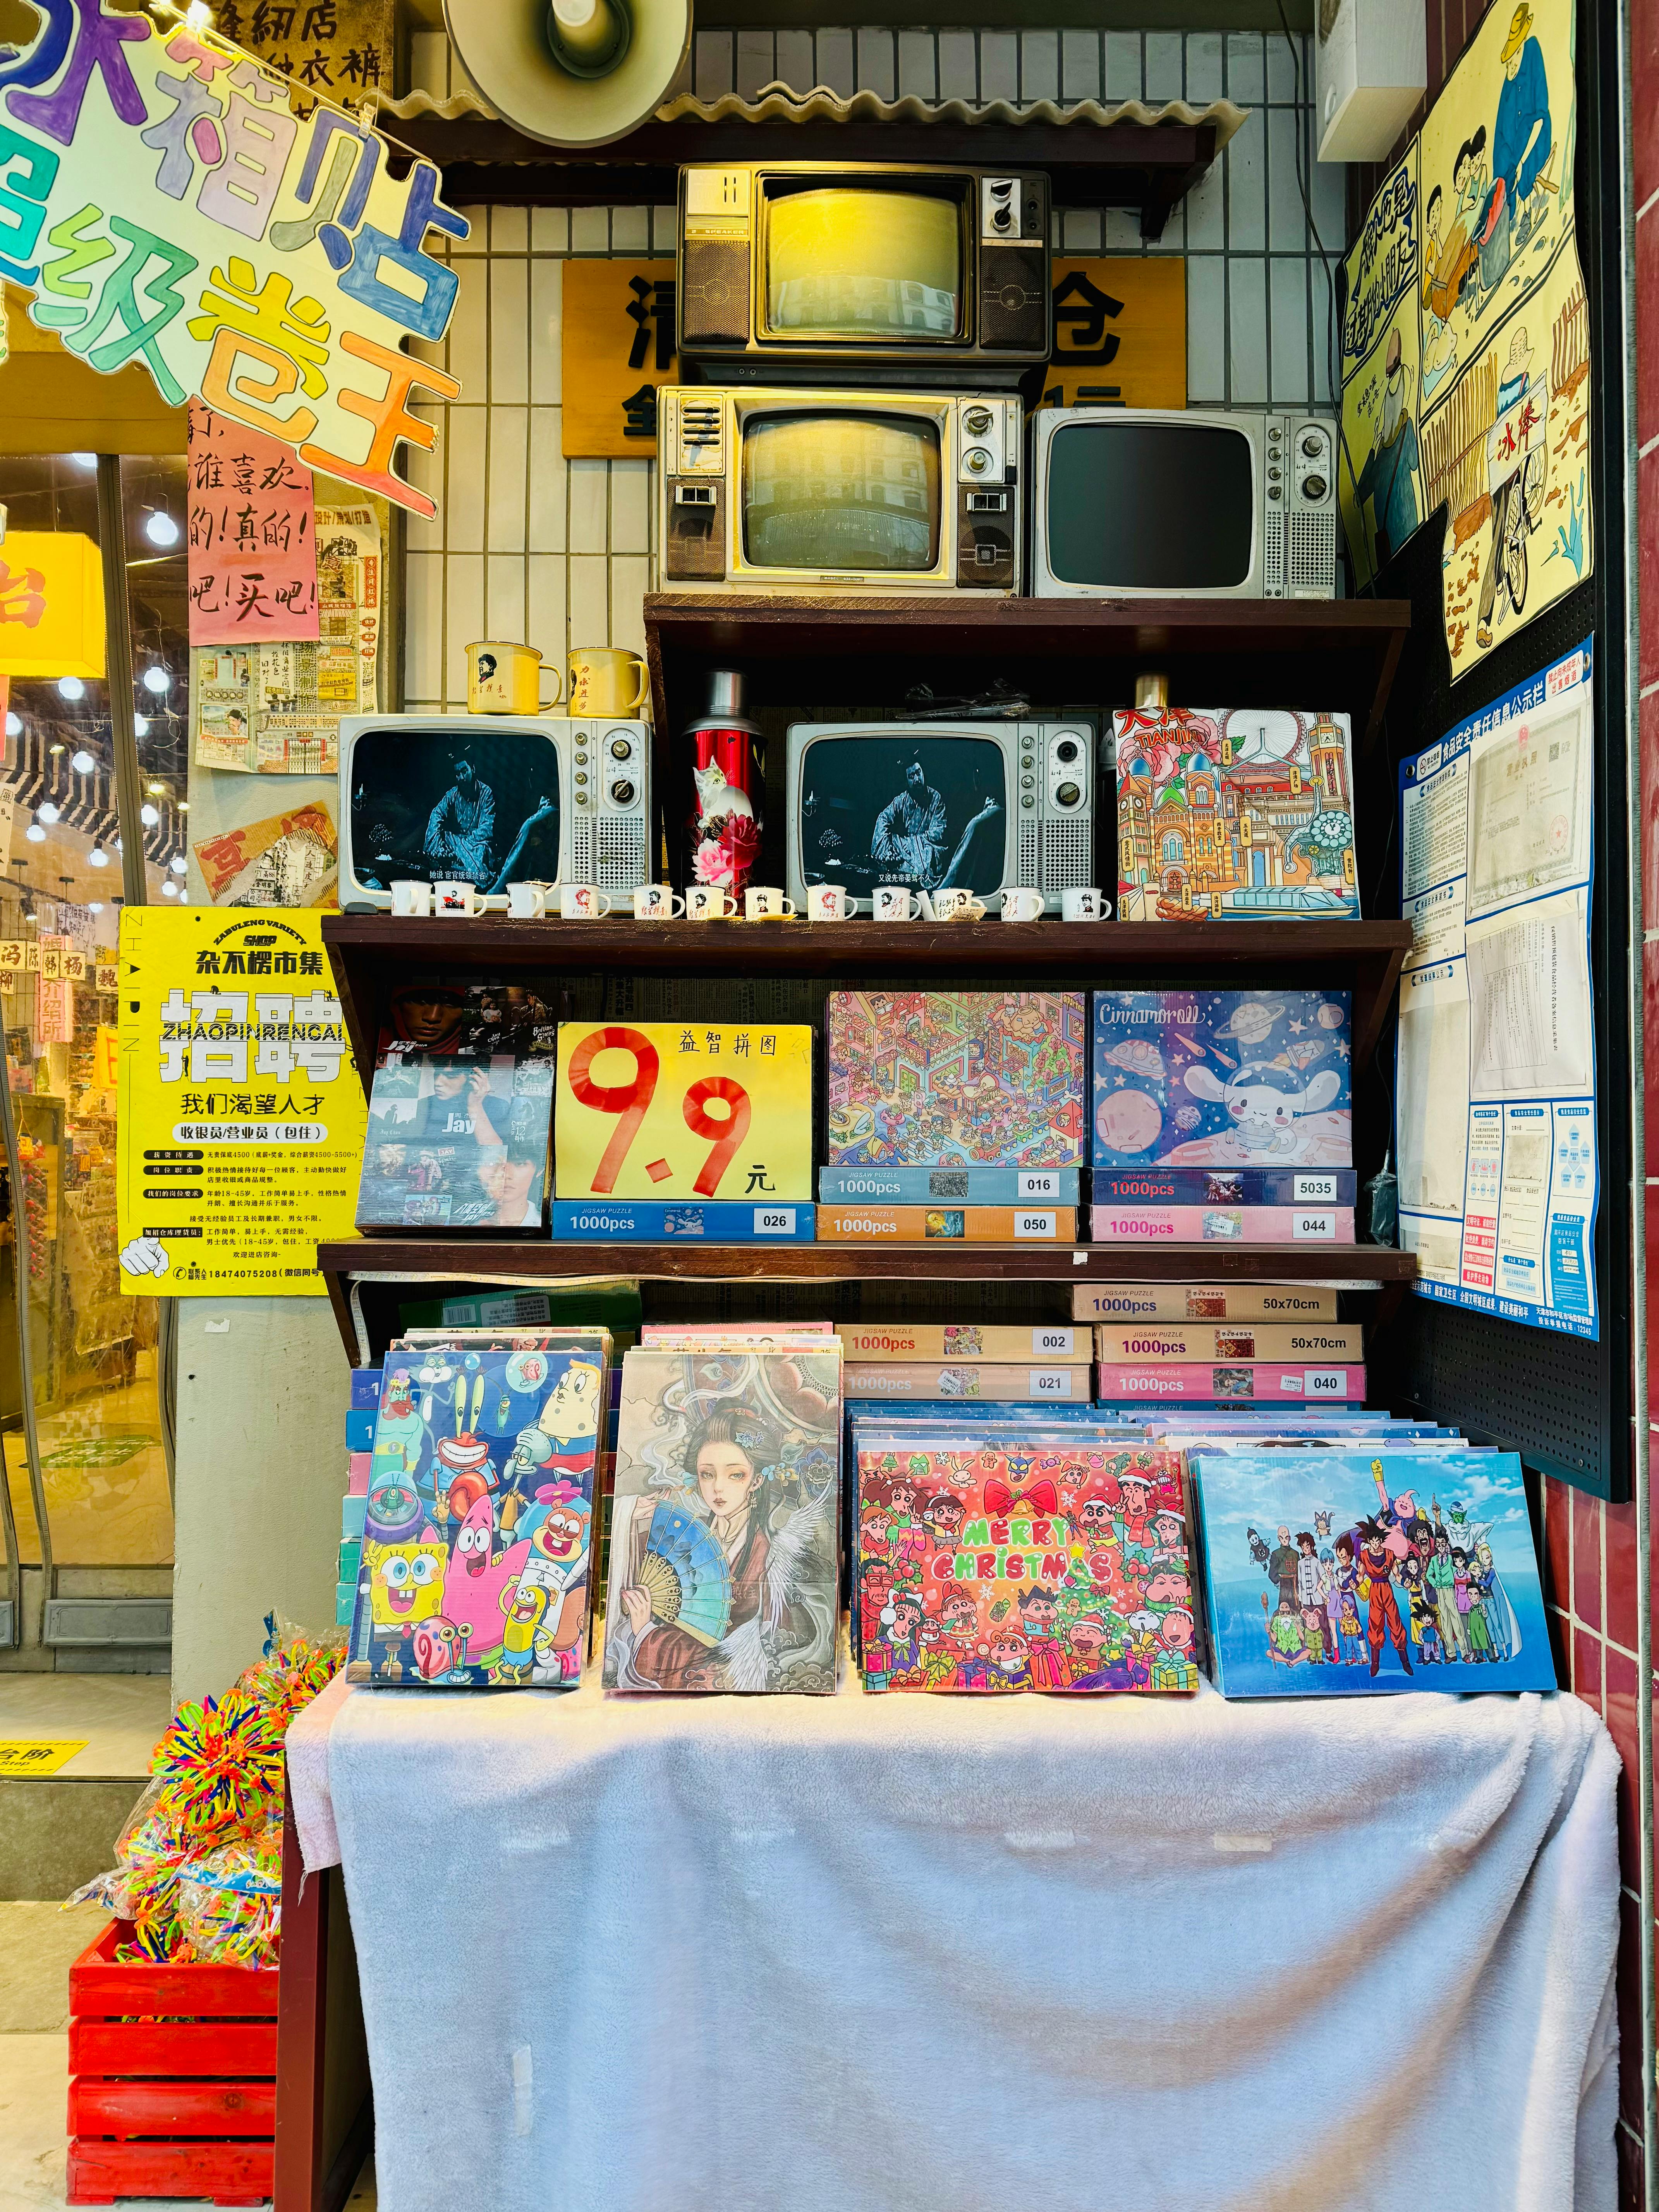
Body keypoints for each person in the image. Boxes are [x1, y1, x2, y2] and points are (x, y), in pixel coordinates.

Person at [616, 1409, 787, 1690]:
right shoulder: (685, 1540)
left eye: (736, 1475)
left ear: (756, 1481)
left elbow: (729, 1657)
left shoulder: (765, 1558)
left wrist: (645, 1630)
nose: (718, 1488)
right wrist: (629, 1518)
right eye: (707, 1474)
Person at [1476, 324, 1537, 649]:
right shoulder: (1515, 380)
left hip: (1509, 458)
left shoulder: (1509, 382)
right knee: (1498, 538)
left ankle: (1503, 576)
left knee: (1503, 530)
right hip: (1505, 461)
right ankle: (1484, 619)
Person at [1353, 326, 1420, 568]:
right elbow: (1414, 463)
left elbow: (1359, 496)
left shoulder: (1380, 454)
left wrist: (1371, 451)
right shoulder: (1407, 432)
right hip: (1407, 527)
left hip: (1386, 538)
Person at [1492, 2, 1552, 252]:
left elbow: (1538, 118)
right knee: (1506, 164)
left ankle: (1526, 212)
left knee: (1523, 146)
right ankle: (1507, 214)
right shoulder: (1509, 84)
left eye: (1514, 57)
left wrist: (1519, 163)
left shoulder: (1533, 53)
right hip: (1516, 147)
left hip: (1536, 134)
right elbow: (1502, 134)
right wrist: (1505, 172)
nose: (1511, 67)